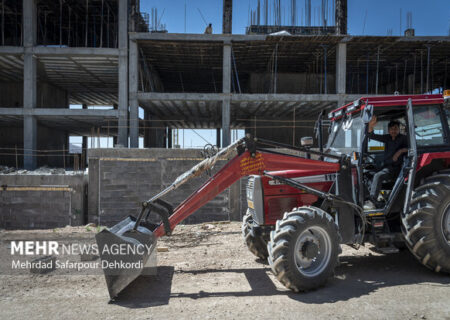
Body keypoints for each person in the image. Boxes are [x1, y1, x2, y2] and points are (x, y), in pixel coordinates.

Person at [365, 116, 408, 209]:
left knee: (378, 176)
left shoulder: (403, 138)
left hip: (396, 168)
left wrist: (400, 152)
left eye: (396, 129)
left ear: (399, 129)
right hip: (386, 166)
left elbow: (411, 148)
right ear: (388, 130)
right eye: (391, 129)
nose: (394, 131)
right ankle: (375, 197)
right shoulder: (387, 138)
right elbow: (372, 136)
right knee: (367, 174)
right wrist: (371, 126)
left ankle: (372, 200)